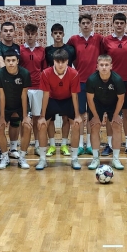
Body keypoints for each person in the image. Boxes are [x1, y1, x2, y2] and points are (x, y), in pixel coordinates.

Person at [37, 49, 82, 170]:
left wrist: (77, 115)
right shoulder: (46, 73)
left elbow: (74, 95)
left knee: (76, 125)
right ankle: (42, 159)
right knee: (42, 125)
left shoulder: (74, 74)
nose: (60, 64)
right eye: (58, 62)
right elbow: (45, 95)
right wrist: (42, 116)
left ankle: (74, 159)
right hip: (52, 100)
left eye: (63, 62)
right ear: (54, 61)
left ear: (67, 61)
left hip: (68, 100)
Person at [100, 13, 127, 157]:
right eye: (117, 23)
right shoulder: (106, 40)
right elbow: (103, 58)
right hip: (110, 81)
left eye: (122, 23)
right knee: (111, 114)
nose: (119, 25)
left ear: (125, 24)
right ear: (113, 24)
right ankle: (110, 145)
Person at [67, 14, 103, 156]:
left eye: (88, 22)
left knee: (92, 114)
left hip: (95, 82)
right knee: (81, 114)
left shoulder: (99, 39)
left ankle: (90, 144)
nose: (86, 25)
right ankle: (81, 144)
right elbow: (66, 56)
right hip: (80, 82)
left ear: (92, 24)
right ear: (80, 25)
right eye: (83, 23)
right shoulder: (73, 40)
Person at [0, 51, 32, 169]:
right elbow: (1, 95)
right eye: (8, 60)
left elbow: (24, 95)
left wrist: (25, 116)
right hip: (5, 104)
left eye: (13, 60)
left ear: (17, 61)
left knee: (27, 126)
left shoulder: (25, 73)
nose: (11, 63)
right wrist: (2, 116)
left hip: (21, 104)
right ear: (4, 62)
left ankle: (22, 157)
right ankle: (5, 157)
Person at [86, 55, 125, 171]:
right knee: (94, 127)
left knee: (117, 126)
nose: (104, 67)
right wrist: (95, 117)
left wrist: (116, 115)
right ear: (97, 66)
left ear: (111, 66)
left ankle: (116, 158)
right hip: (96, 103)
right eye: (101, 65)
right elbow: (90, 100)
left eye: (106, 65)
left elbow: (121, 99)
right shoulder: (91, 80)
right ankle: (95, 158)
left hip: (114, 103)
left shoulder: (117, 80)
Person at [0, 22, 21, 160]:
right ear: (1, 32)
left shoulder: (18, 48)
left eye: (11, 30)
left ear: (14, 32)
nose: (8, 33)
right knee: (0, 119)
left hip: (15, 89)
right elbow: (0, 64)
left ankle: (13, 148)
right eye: (5, 30)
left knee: (15, 118)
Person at [44, 23, 76, 157]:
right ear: (51, 34)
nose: (58, 35)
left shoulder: (70, 49)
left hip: (66, 90)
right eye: (55, 33)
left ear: (63, 34)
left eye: (60, 33)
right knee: (50, 119)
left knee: (66, 118)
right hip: (52, 90)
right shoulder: (47, 50)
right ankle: (52, 145)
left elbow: (73, 65)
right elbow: (45, 67)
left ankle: (64, 144)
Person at [19, 24, 48, 156]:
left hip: (37, 88)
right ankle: (22, 146)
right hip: (23, 88)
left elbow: (44, 70)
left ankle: (37, 144)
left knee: (37, 117)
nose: (30, 36)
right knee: (23, 118)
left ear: (36, 34)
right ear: (24, 34)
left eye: (32, 33)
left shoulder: (42, 50)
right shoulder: (19, 49)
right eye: (28, 33)